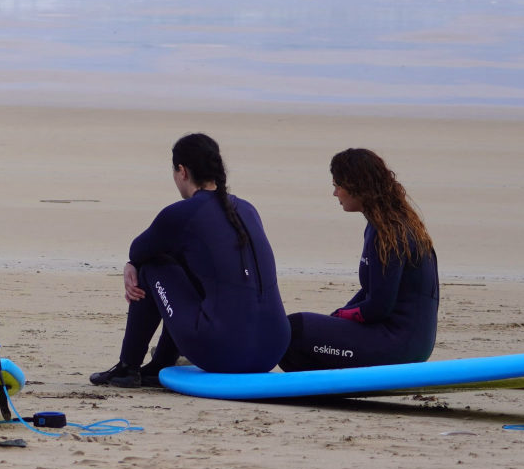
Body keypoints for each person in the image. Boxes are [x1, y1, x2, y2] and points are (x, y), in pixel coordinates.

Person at [90, 133, 289, 387]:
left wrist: (132, 266)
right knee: (193, 261)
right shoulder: (248, 209)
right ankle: (159, 365)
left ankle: (128, 367)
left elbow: (138, 251)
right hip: (272, 350)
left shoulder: (183, 213)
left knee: (152, 265)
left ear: (182, 171)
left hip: (223, 353)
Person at [280, 148, 439, 371]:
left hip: (398, 345)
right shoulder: (392, 222)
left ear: (357, 188)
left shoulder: (388, 233)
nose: (335, 193)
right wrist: (338, 318)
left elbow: (377, 308)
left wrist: (340, 316)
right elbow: (371, 291)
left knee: (294, 330)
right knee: (299, 334)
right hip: (411, 342)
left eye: (337, 186)